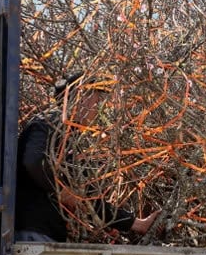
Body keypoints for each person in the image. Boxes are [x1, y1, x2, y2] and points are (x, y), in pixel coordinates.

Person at [15, 72, 160, 242]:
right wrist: (60, 190)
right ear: (81, 97)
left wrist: (135, 224)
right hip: (34, 232)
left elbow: (86, 198)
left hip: (47, 232)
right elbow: (33, 162)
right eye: (97, 100)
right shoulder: (49, 121)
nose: (99, 108)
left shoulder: (70, 137)